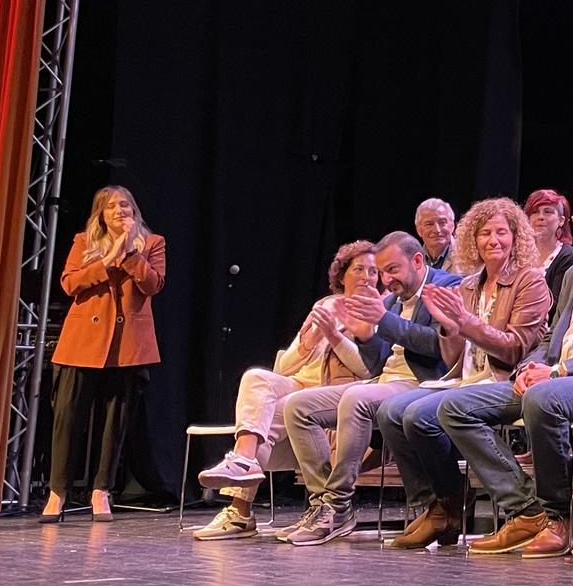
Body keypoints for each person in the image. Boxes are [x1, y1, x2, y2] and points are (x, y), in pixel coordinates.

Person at [432, 179, 573, 561]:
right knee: (455, 407)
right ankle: (528, 509)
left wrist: (557, 372)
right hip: (554, 373)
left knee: (543, 398)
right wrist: (532, 365)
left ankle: (559, 519)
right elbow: (552, 335)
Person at [376, 199, 551, 550]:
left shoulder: (529, 281)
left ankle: (498, 504)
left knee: (419, 416)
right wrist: (448, 326)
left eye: (502, 232)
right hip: (465, 378)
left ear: (516, 237)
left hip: (505, 380)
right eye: (484, 233)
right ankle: (438, 505)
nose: (493, 240)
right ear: (472, 239)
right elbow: (452, 355)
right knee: (390, 412)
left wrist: (466, 322)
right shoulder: (469, 285)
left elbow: (514, 348)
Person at [191, 241, 389, 541]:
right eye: (358, 269)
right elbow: (283, 367)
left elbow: (368, 370)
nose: (366, 276)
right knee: (257, 379)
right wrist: (309, 342)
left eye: (373, 271)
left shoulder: (381, 310)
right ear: (342, 275)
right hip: (302, 384)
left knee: (266, 419)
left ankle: (240, 510)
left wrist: (335, 336)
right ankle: (243, 461)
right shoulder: (326, 305)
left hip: (343, 395)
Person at [276, 231, 461, 546]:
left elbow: (440, 349)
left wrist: (382, 322)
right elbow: (376, 365)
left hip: (426, 384)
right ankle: (325, 504)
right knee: (297, 406)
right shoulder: (390, 300)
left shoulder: (447, 286)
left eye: (392, 270)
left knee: (356, 397)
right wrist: (365, 337)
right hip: (384, 382)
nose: (386, 280)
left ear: (417, 261)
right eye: (383, 272)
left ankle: (337, 502)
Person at [43, 186, 167, 522]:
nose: (118, 211)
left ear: (134, 211)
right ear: (100, 214)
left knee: (115, 423)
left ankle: (101, 491)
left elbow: (153, 285)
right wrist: (108, 259)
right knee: (68, 419)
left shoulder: (152, 243)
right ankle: (58, 493)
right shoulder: (84, 242)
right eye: (110, 206)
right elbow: (69, 285)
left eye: (125, 205)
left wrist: (128, 255)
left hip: (126, 345)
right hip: (82, 342)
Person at [525, 188, 573, 304]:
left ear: (561, 221)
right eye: (535, 212)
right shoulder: (521, 255)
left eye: (548, 212)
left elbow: (558, 305)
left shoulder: (569, 257)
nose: (540, 217)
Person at [415, 198, 459, 273]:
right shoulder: (412, 261)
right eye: (429, 224)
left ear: (452, 226)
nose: (437, 230)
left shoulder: (469, 256)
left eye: (442, 222)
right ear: (419, 230)